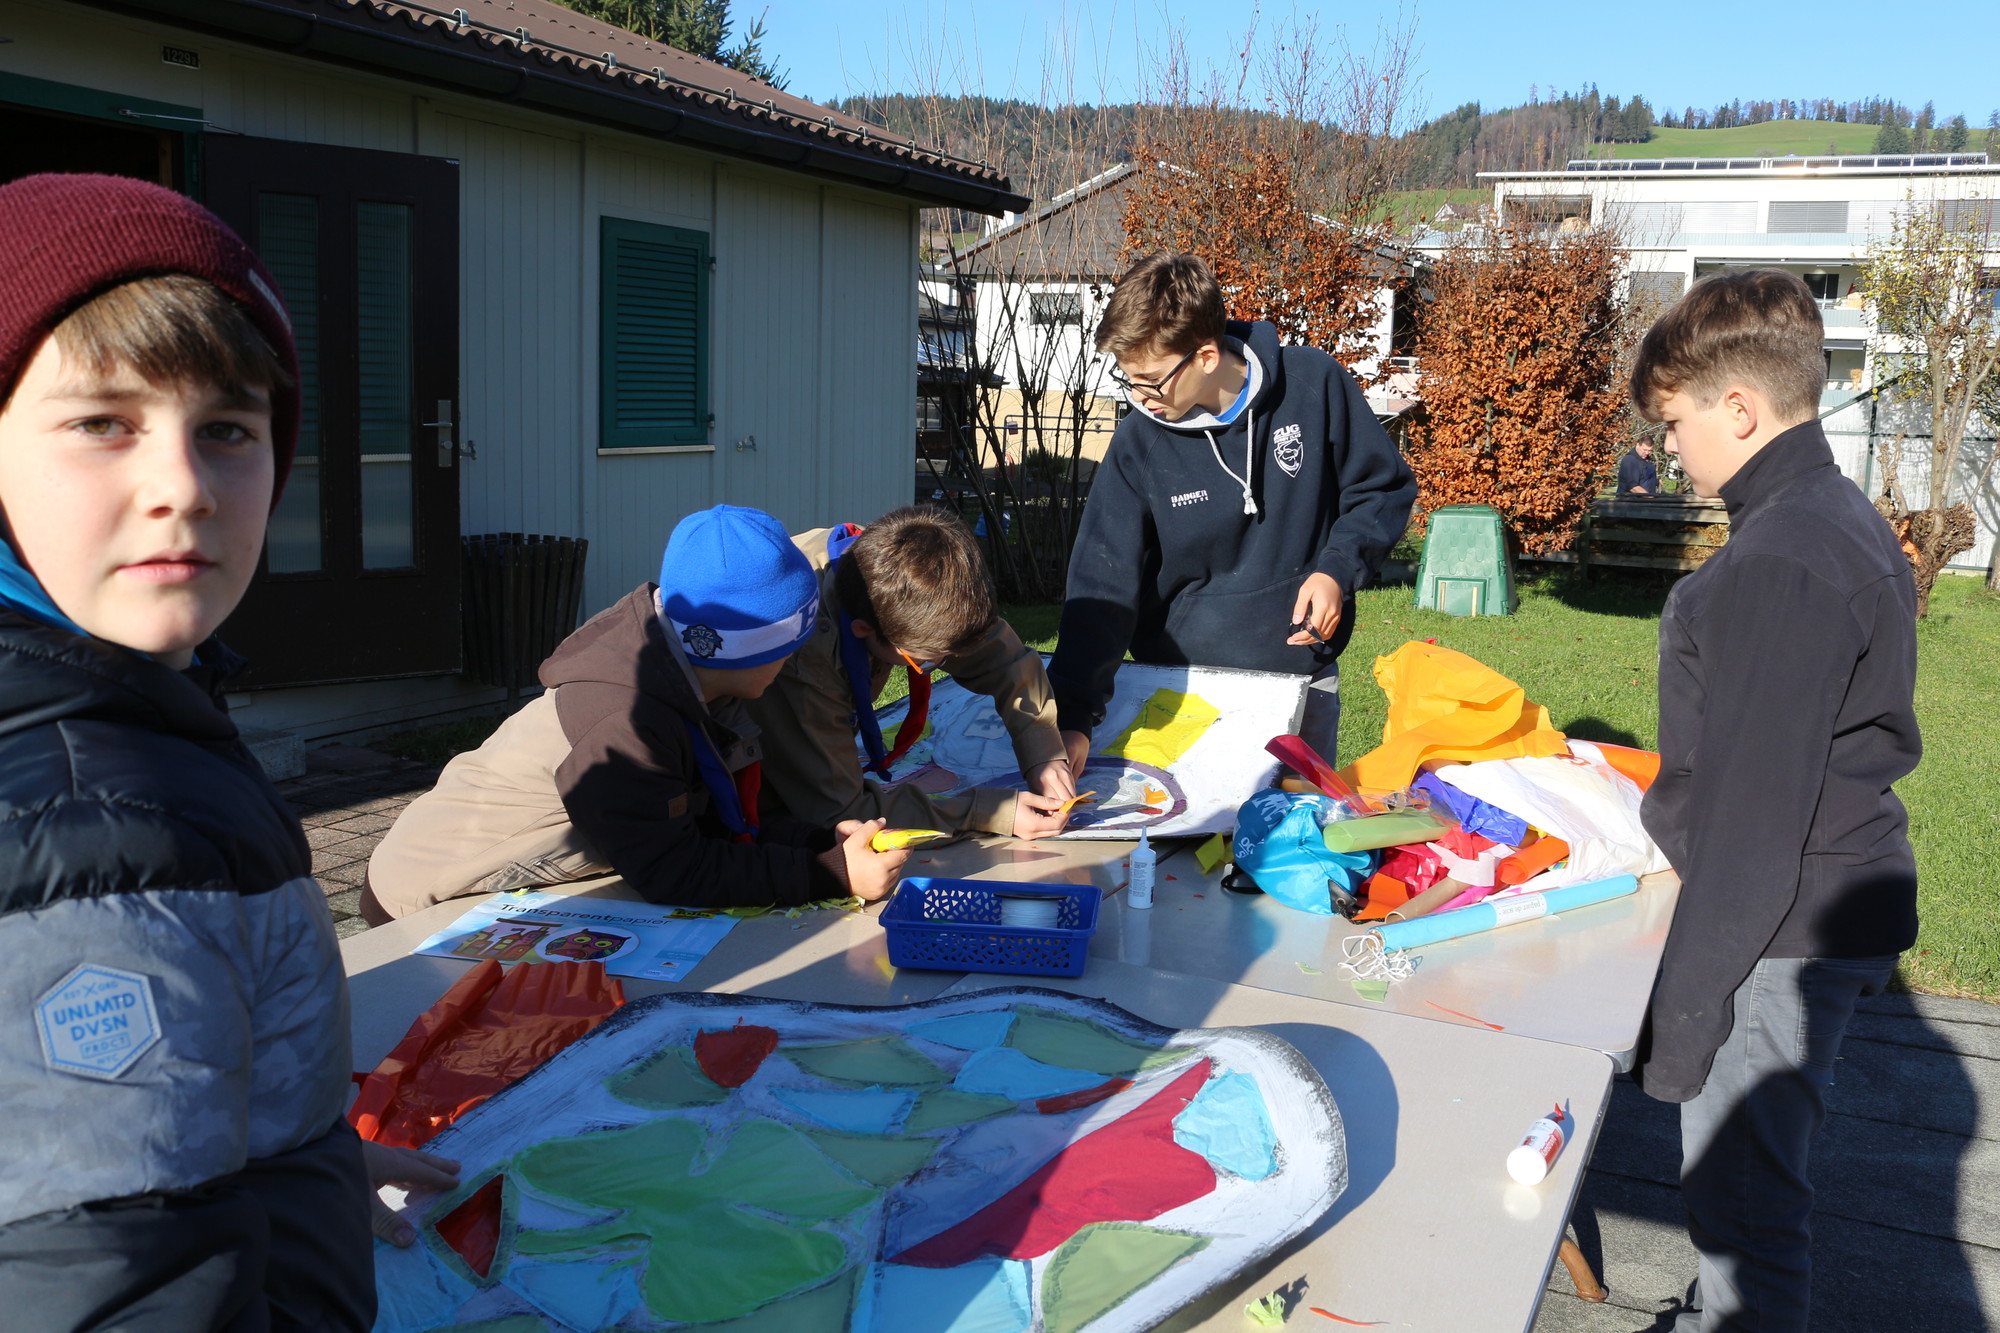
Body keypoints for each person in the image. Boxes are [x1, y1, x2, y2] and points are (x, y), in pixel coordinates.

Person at [0, 173, 452, 1329]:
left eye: (228, 430)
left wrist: (299, 1164)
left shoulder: (133, 708)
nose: (184, 487)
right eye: (102, 422)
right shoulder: (90, 823)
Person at [1628, 269, 1919, 1333]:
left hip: (1775, 932)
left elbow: (1751, 824)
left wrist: (1682, 1020)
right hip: (1812, 905)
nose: (1668, 449)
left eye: (1673, 423)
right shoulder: (1824, 516)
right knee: (1749, 1197)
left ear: (1739, 409)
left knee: (1745, 1207)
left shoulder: (1782, 559)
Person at [362, 504, 910, 921]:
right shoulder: (625, 722)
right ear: (746, 649)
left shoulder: (691, 676)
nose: (797, 661)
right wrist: (831, 873)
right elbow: (674, 870)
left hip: (525, 883)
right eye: (791, 646)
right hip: (428, 902)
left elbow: (703, 822)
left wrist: (816, 842)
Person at [1048, 252, 1416, 767]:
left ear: (1204, 356)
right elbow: (1101, 582)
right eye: (1127, 379)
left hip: (1302, 680)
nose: (1139, 396)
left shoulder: (1313, 384)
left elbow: (1380, 489)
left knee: (1300, 819)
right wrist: (1072, 716)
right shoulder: (1138, 443)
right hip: (1180, 692)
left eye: (1150, 379)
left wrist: (1337, 570)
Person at [743, 506, 1072, 840]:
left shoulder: (900, 563)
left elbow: (1006, 661)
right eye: (927, 661)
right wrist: (984, 812)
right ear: (863, 629)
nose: (948, 660)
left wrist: (1043, 754)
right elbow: (840, 815)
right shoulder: (800, 656)